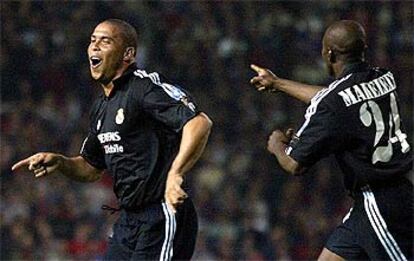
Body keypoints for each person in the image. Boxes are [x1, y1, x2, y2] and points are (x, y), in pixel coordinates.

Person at [12, 19, 212, 260]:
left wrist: (175, 173)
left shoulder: (143, 87)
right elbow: (91, 168)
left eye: (105, 41)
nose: (95, 46)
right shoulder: (101, 107)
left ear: (128, 53)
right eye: (92, 40)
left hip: (163, 212)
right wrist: (61, 162)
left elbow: (199, 122)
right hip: (129, 220)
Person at [250, 20, 413, 260]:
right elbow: (335, 99)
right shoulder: (384, 78)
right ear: (363, 49)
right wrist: (278, 83)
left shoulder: (333, 103)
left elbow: (294, 163)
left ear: (329, 53)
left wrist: (277, 146)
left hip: (379, 204)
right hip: (388, 194)